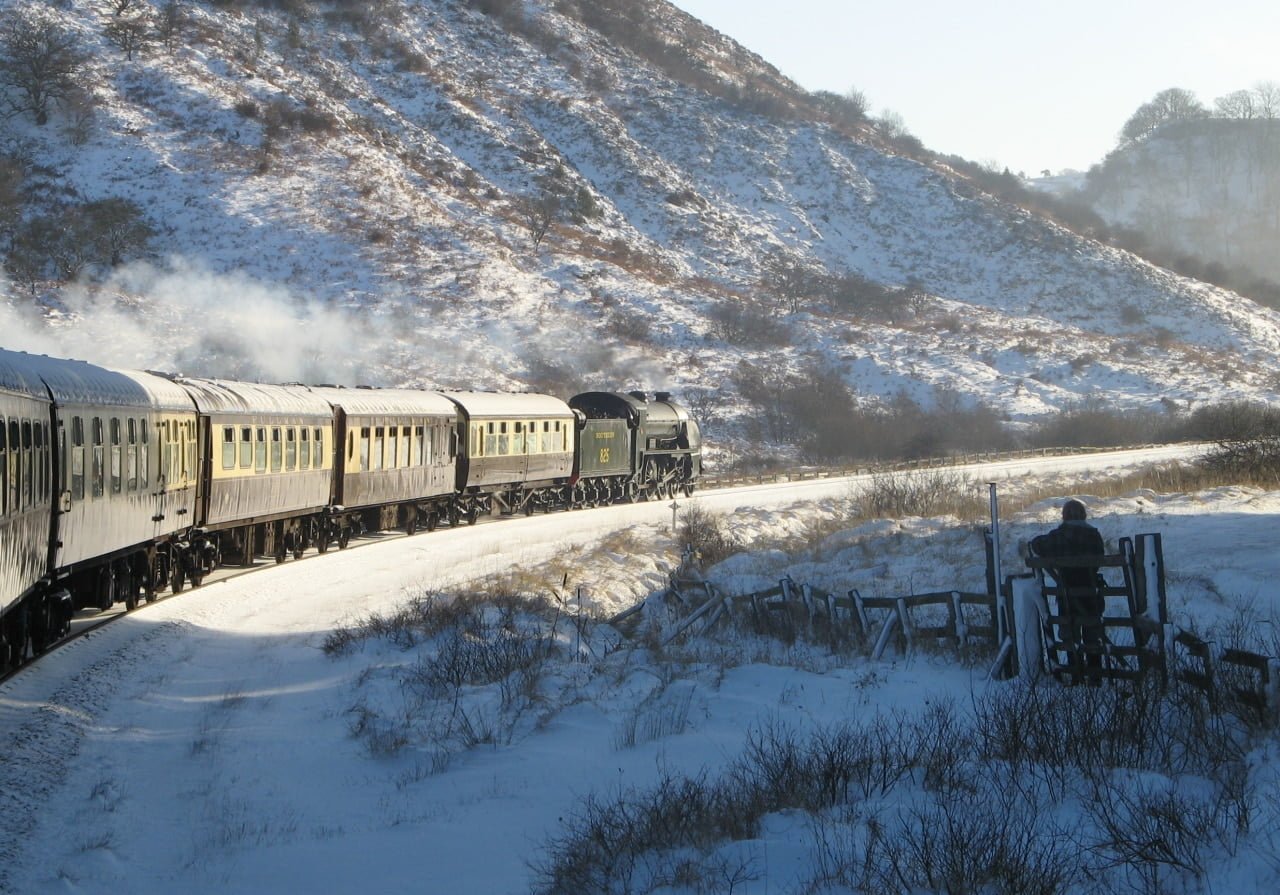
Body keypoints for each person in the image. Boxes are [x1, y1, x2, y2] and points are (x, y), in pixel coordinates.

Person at [1029, 498, 1106, 682]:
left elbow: (1036, 545)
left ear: (1064, 516)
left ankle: (1075, 674)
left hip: (1066, 592)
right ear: (1084, 515)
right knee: (1092, 633)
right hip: (1090, 590)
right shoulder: (1094, 535)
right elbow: (1100, 558)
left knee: (1069, 633)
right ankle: (1095, 675)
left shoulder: (1057, 536)